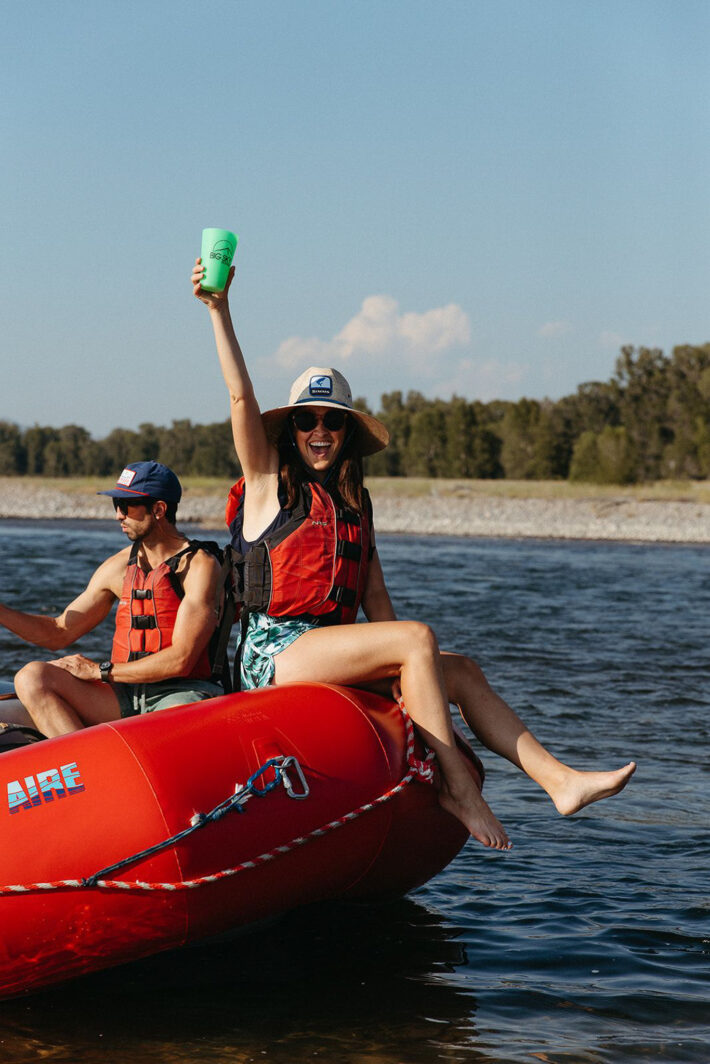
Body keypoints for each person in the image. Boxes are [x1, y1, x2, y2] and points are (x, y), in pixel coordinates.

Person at [192, 260, 636, 850]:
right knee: (416, 639)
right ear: (290, 430)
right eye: (307, 421)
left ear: (347, 433)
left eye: (332, 422)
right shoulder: (269, 483)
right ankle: (461, 787)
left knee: (457, 668)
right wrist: (219, 308)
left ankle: (559, 781)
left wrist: (411, 673)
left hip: (326, 651)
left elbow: (377, 604)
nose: (318, 432)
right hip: (271, 653)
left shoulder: (355, 505)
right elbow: (240, 395)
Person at [2, 461, 228, 737]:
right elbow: (58, 632)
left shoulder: (199, 566)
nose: (118, 515)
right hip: (124, 695)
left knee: (180, 720)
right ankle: (87, 766)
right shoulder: (118, 567)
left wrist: (100, 671)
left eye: (126, 505)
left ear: (159, 509)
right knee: (31, 677)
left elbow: (181, 659)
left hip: (180, 693)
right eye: (116, 505)